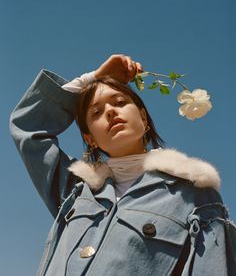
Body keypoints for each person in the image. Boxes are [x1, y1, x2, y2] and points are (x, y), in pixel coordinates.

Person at [10, 54, 236, 276]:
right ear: (90, 138)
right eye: (96, 112)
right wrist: (93, 77)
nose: (110, 111)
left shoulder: (192, 193)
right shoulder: (76, 189)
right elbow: (29, 128)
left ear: (144, 119)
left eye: (119, 102)